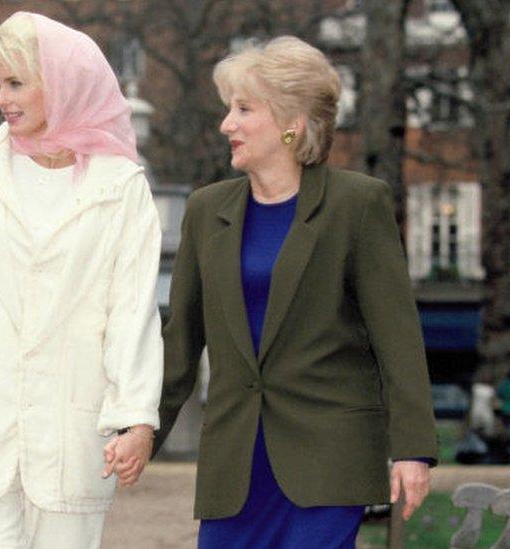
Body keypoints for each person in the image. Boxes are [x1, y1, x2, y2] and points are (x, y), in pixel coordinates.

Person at [0, 11, 162, 548]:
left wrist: (137, 418)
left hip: (73, 435)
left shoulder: (121, 186)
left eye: (17, 83)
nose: (1, 99)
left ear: (60, 85)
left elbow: (132, 309)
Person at [156, 36, 438, 548]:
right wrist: (141, 433)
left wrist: (413, 449)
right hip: (234, 466)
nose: (227, 125)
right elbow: (181, 342)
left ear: (293, 124)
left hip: (329, 458)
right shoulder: (206, 210)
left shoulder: (357, 204)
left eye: (244, 109)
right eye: (228, 110)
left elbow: (397, 339)